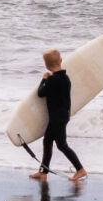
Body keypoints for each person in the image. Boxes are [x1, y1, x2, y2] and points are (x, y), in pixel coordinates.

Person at [28, 50, 84, 181]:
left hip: (56, 118)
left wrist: (44, 79)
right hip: (63, 115)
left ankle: (80, 169)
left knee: (61, 145)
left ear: (46, 65)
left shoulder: (52, 79)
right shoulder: (65, 78)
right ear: (60, 60)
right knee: (49, 142)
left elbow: (41, 93)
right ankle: (43, 172)